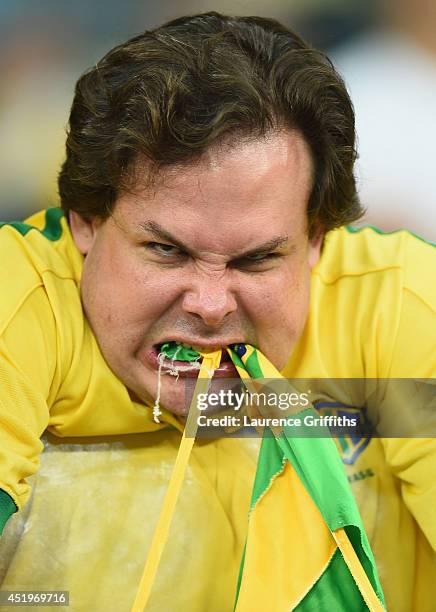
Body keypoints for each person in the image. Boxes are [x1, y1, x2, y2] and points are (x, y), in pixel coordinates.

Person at [0, 12, 434, 612]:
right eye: (166, 250)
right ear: (85, 220)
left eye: (256, 260)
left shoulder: (403, 308)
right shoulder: (18, 304)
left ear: (315, 240)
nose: (208, 305)